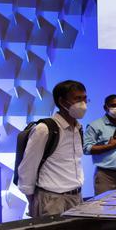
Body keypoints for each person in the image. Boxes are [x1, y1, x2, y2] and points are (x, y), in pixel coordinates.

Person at [17, 80, 87, 218]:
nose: (83, 104)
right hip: (51, 200)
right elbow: (27, 167)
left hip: (77, 197)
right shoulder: (45, 129)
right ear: (62, 102)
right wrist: (34, 201)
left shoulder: (78, 129)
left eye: (85, 99)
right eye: (77, 99)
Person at [84, 94, 116, 196]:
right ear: (105, 107)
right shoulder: (95, 126)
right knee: (104, 206)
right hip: (105, 175)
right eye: (113, 105)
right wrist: (109, 146)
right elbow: (86, 149)